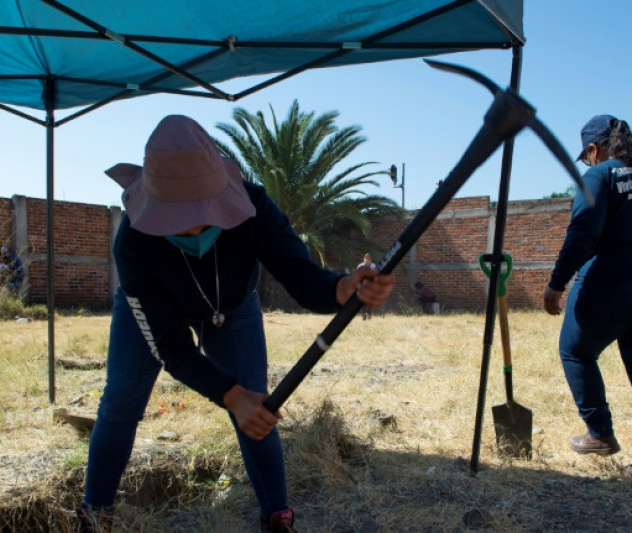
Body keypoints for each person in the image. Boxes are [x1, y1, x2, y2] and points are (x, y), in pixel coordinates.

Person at [77, 115, 396, 532]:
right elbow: (172, 348)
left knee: (258, 408)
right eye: (177, 216)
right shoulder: (134, 242)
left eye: (204, 213)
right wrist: (230, 395)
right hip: (156, 317)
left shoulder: (253, 207)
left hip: (233, 308)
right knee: (120, 401)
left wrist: (343, 288)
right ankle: (94, 516)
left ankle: (278, 517)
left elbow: (300, 276)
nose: (193, 227)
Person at [543, 115, 632, 489]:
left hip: (611, 282)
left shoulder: (600, 175)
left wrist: (556, 285)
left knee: (575, 351)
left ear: (594, 149)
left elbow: (582, 233)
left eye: (586, 156)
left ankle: (600, 433)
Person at [356, 253, 378, 319]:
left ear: (371, 259)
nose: (367, 260)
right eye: (366, 258)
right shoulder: (360, 266)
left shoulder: (373, 266)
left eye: (369, 259)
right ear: (364, 259)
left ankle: (369, 315)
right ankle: (363, 316)